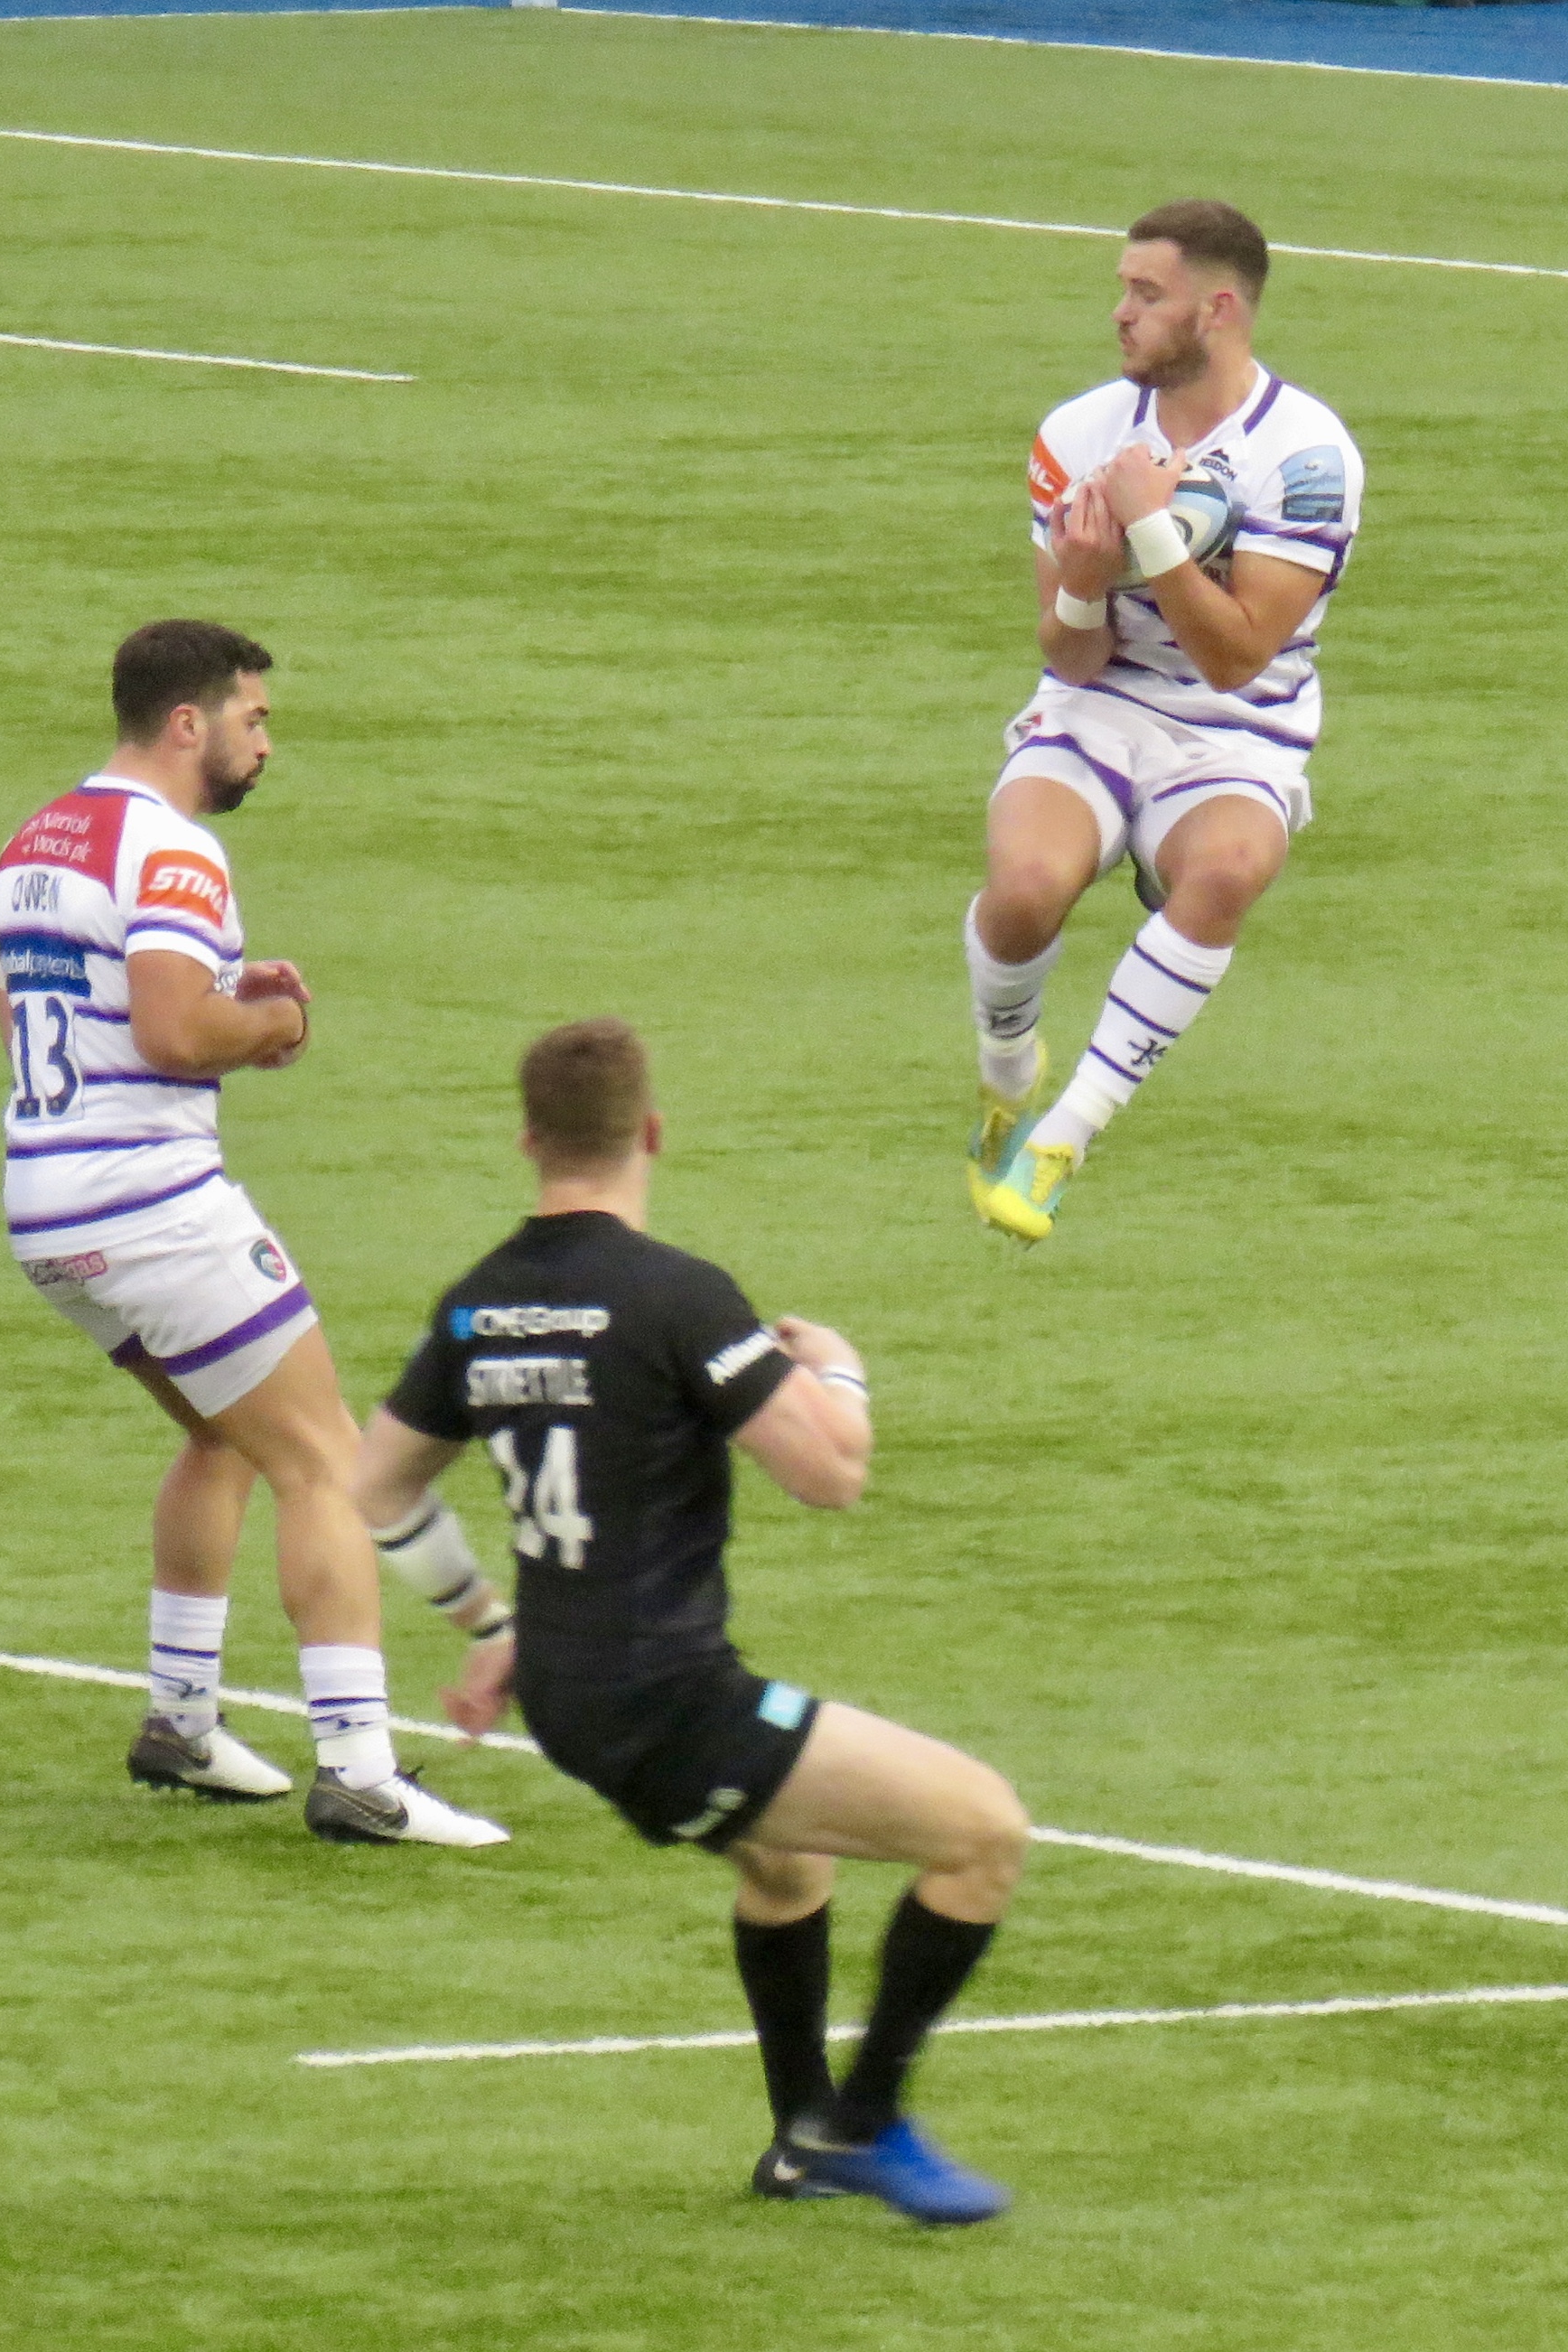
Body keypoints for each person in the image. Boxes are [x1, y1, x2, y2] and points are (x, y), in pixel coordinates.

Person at [351, 1019, 1031, 2224]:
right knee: (984, 1833)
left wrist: (490, 1625)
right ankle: (861, 2123)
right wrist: (840, 1369)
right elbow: (832, 1473)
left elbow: (377, 1490)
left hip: (569, 1702)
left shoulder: (476, 1308)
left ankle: (797, 2140)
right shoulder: (677, 1297)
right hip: (668, 1702)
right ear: (651, 1134)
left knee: (787, 1863)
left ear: (529, 1141)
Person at [0, 619, 507, 1847]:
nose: (265, 743)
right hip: (150, 1205)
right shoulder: (175, 848)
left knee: (222, 1436)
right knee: (327, 1461)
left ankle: (180, 1721)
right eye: (253, 718)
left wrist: (225, 993)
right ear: (189, 722)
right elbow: (172, 1034)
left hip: (46, 1200)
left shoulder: (34, 841)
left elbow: (34, 1012)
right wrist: (270, 1024)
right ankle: (361, 1772)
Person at [965, 200, 1364, 1243]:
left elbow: (1237, 660)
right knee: (1025, 892)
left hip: (1239, 730)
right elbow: (1070, 654)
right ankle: (1006, 1072)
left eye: (1147, 294)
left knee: (1227, 871)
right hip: (1097, 706)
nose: (1120, 313)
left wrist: (1148, 532)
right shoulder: (1078, 432)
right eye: (1123, 290)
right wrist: (1083, 580)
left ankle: (1063, 1139)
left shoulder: (1308, 456)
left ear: (1217, 310)